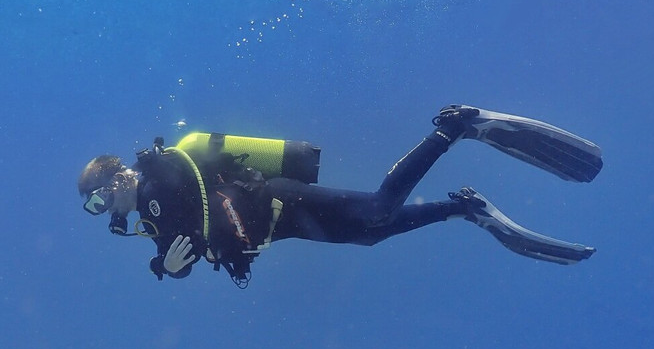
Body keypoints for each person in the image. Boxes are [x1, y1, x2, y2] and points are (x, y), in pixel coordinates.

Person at [78, 105, 602, 287]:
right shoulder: (149, 216)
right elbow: (190, 248)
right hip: (277, 226)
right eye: (97, 209)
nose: (106, 212)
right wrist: (171, 268)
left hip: (277, 202)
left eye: (99, 200)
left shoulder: (155, 178)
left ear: (113, 178)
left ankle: (456, 128)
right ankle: (465, 206)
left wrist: (195, 249)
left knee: (377, 209)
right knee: (372, 235)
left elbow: (205, 206)